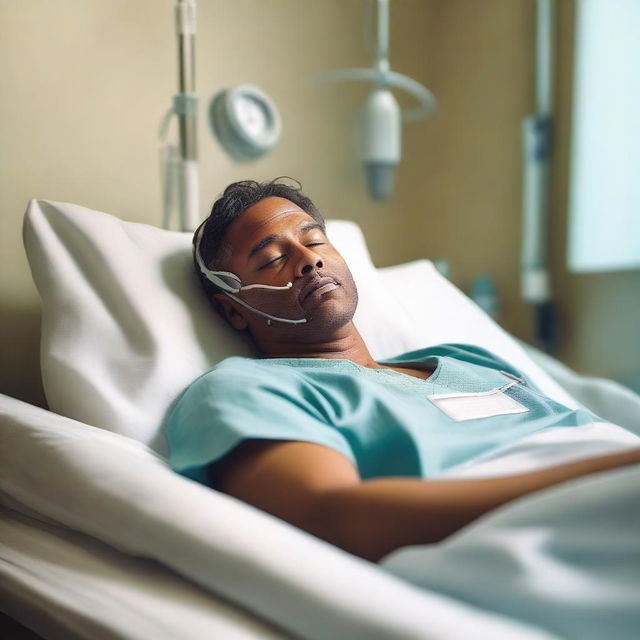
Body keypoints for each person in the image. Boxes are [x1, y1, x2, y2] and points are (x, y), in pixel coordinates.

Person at [165, 178, 640, 563]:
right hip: (557, 523)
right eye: (272, 258)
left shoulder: (467, 359)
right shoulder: (245, 390)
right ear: (233, 312)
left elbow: (586, 433)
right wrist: (609, 475)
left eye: (314, 241)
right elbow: (332, 518)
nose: (308, 260)